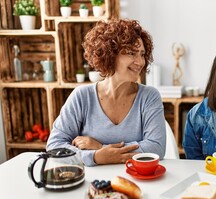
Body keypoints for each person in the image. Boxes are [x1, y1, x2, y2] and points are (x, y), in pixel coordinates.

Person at [46, 19, 166, 166]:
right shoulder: (82, 96)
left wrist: (101, 148)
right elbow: (54, 146)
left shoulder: (149, 97)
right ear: (110, 54)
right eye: (131, 53)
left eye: (142, 54)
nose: (140, 62)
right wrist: (95, 157)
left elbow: (156, 148)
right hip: (91, 183)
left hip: (136, 180)